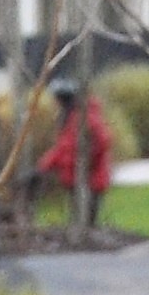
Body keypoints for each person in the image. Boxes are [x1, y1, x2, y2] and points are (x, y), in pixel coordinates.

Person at [35, 82, 114, 230]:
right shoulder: (69, 117)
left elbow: (103, 141)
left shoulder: (85, 117)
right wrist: (43, 166)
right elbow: (64, 147)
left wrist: (87, 162)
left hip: (90, 180)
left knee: (87, 222)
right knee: (78, 220)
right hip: (75, 178)